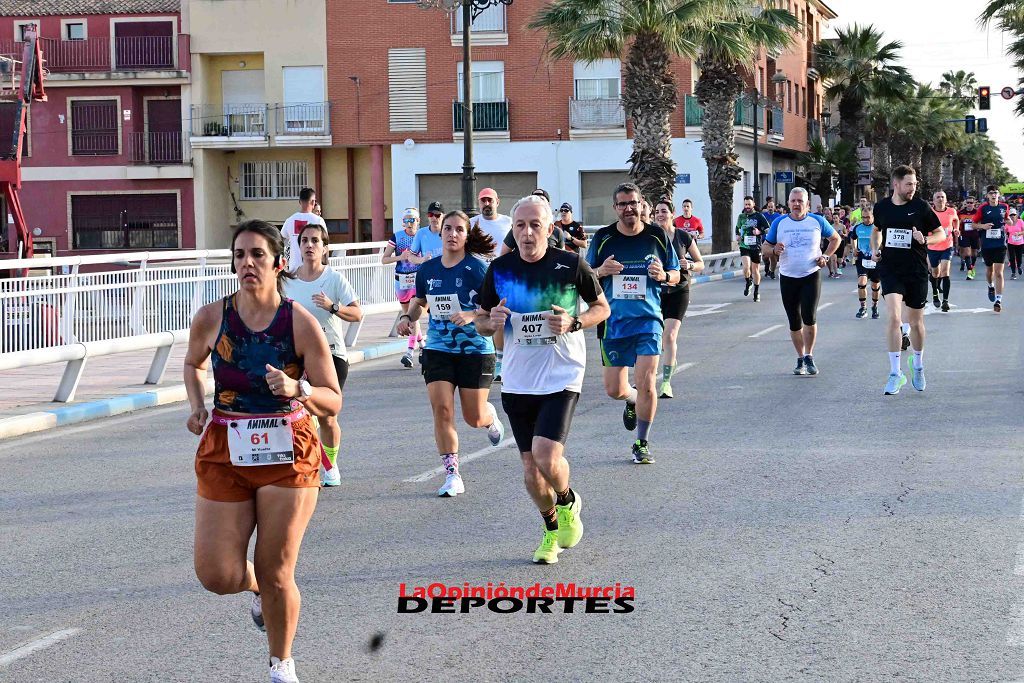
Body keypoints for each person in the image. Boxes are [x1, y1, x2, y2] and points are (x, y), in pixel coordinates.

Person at [184, 219, 342, 683]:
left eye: (257, 254)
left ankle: (281, 665)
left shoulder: (299, 322)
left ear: (279, 262)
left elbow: (332, 397)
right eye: (239, 255)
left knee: (278, 571)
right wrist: (197, 406)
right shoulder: (213, 317)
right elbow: (193, 364)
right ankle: (255, 587)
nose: (247, 264)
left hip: (287, 449)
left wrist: (299, 388)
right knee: (216, 573)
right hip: (225, 447)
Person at [475, 195, 610, 564]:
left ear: (550, 229)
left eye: (536, 225)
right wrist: (493, 323)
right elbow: (482, 319)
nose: (528, 232)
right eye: (520, 225)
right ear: (512, 229)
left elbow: (602, 308)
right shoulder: (499, 270)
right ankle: (551, 530)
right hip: (518, 380)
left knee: (546, 456)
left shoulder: (570, 264)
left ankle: (567, 500)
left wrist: (574, 322)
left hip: (562, 375)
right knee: (530, 472)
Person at [397, 211, 505, 497]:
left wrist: (471, 314)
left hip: (475, 349)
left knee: (473, 417)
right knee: (442, 409)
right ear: (440, 232)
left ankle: (489, 417)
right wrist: (408, 318)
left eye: (459, 229)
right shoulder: (428, 269)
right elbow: (419, 302)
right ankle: (452, 474)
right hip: (438, 347)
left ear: (467, 235)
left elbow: (493, 309)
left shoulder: (479, 269)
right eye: (448, 228)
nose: (453, 234)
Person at [587, 183, 680, 463]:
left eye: (634, 203)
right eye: (623, 204)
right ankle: (631, 399)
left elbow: (676, 272)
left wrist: (663, 275)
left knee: (648, 382)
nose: (629, 208)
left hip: (648, 321)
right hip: (613, 322)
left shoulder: (657, 236)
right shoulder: (604, 238)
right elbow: (585, 275)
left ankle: (642, 442)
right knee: (614, 389)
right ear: (615, 208)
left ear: (642, 205)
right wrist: (601, 271)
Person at [284, 224, 361, 488]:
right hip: (298, 359)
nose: (309, 245)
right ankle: (309, 464)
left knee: (327, 416)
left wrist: (333, 306)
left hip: (331, 355)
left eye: (315, 241)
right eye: (304, 240)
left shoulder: (334, 279)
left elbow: (357, 313)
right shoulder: (288, 280)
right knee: (300, 414)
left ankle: (331, 464)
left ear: (324, 248)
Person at [870, 165, 944, 395]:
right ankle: (895, 373)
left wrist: (926, 240)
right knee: (893, 318)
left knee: (916, 323)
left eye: (915, 184)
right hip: (891, 268)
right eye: (909, 184)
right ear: (896, 184)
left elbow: (941, 233)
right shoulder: (882, 207)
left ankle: (918, 365)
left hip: (916, 270)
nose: (913, 188)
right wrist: (874, 248)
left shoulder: (920, 207)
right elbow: (876, 230)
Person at [761, 187, 840, 376]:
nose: (796, 204)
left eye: (800, 201)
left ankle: (809, 355)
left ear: (807, 204)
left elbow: (835, 239)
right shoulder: (780, 223)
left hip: (810, 275)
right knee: (794, 321)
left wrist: (826, 257)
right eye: (793, 201)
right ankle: (800, 357)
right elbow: (765, 247)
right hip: (788, 277)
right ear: (788, 203)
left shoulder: (817, 221)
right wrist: (774, 251)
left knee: (809, 316)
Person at [653, 198, 704, 398]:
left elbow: (700, 263)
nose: (660, 214)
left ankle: (666, 382)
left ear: (672, 214)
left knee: (670, 335)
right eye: (657, 211)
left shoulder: (683, 237)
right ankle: (651, 373)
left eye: (664, 211)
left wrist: (689, 265)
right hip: (655, 291)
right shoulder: (650, 237)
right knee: (655, 337)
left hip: (679, 290)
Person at [382, 208, 424, 368]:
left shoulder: (422, 236)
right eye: (406, 220)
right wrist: (400, 257)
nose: (409, 223)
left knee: (414, 316)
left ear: (418, 221)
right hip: (401, 281)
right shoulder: (397, 237)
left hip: (417, 280)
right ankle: (423, 346)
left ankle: (409, 352)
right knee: (408, 315)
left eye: (412, 220)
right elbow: (384, 259)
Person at [968, 185, 1010, 312]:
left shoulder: (1004, 207)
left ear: (998, 194)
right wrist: (983, 226)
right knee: (990, 271)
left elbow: (1007, 218)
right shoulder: (983, 208)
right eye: (991, 193)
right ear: (987, 195)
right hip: (987, 244)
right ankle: (990, 286)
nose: (993, 195)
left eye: (995, 193)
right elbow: (973, 224)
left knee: (999, 272)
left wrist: (1009, 222)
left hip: (1000, 244)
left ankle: (998, 300)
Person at [280, 188, 326, 274]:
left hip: (293, 270)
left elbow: (282, 238)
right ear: (313, 202)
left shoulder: (289, 220)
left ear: (300, 202)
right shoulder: (318, 221)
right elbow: (325, 245)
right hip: (313, 271)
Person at [735, 196, 771, 301]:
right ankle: (748, 282)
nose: (747, 207)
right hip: (744, 245)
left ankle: (756, 291)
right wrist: (737, 235)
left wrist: (760, 232)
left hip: (756, 246)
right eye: (745, 204)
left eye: (749, 205)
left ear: (753, 204)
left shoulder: (759, 216)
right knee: (746, 267)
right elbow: (737, 228)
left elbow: (768, 229)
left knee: (755, 270)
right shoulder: (741, 216)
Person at [928, 190, 959, 311]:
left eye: (942, 197)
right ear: (933, 200)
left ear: (945, 199)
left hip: (947, 245)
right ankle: (935, 294)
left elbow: (956, 220)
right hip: (933, 246)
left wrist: (956, 229)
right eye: (938, 197)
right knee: (935, 273)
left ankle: (945, 301)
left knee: (945, 272)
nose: (940, 199)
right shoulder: (929, 212)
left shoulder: (951, 211)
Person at [853, 205, 882, 319]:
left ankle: (875, 307)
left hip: (875, 259)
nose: (866, 219)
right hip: (862, 258)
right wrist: (855, 248)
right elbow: (853, 237)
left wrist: (879, 251)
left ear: (873, 216)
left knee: (875, 285)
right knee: (862, 281)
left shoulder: (878, 228)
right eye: (864, 217)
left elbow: (883, 242)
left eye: (868, 217)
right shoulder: (858, 227)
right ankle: (863, 307)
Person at [469, 187, 512, 258]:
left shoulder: (509, 222)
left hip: (503, 265)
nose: (486, 204)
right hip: (479, 267)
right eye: (483, 200)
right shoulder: (471, 223)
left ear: (497, 202)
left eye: (490, 200)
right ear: (478, 203)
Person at [958, 196, 980, 279]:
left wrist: (978, 225)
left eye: (971, 203)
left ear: (974, 204)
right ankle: (970, 271)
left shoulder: (977, 212)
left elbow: (981, 222)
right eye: (968, 203)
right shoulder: (960, 212)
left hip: (975, 235)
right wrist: (961, 221)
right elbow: (956, 223)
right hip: (964, 235)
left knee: (974, 253)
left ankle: (972, 266)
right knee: (967, 253)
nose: (969, 204)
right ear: (965, 203)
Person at [1006, 208, 1024, 279]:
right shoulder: (1008, 223)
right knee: (1012, 258)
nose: (1012, 216)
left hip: (1020, 243)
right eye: (1011, 215)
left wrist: (1020, 233)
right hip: (1011, 243)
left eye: (1014, 215)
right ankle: (1013, 273)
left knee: (1019, 258)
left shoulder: (1020, 222)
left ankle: (1019, 266)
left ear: (1016, 215)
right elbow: (1004, 231)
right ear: (1009, 216)